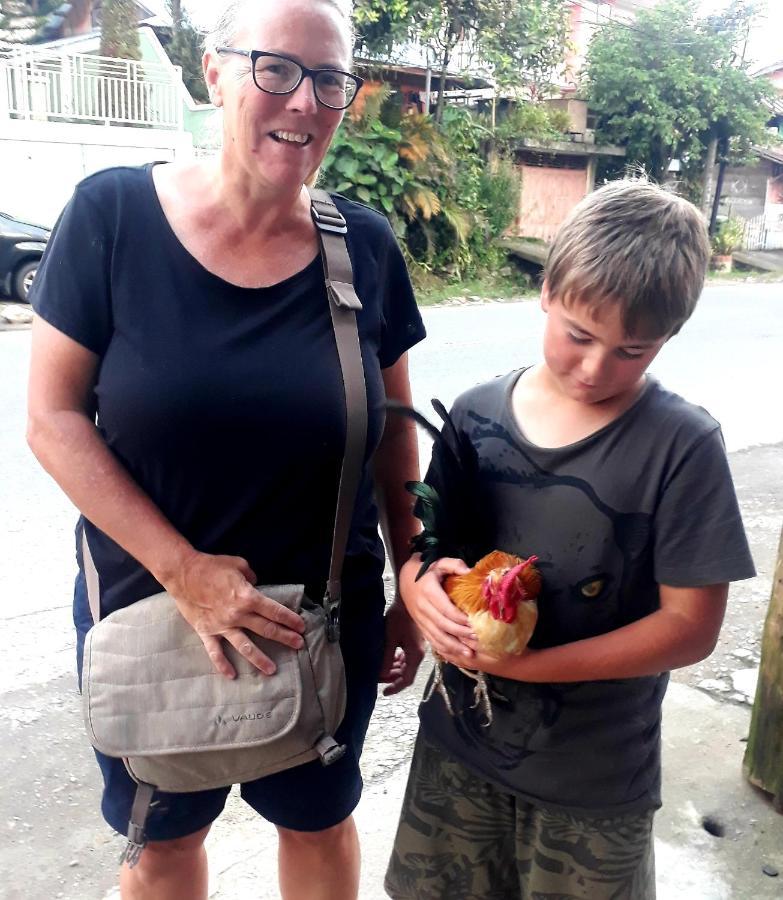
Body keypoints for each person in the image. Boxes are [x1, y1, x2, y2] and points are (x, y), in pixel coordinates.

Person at [26, 1, 426, 897]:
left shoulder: (361, 245)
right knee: (165, 848)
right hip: (152, 616)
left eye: (330, 80)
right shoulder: (113, 215)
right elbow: (52, 419)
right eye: (275, 68)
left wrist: (410, 581)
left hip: (324, 619)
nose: (304, 102)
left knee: (317, 827)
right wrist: (185, 572)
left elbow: (394, 437)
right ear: (213, 72)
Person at [385, 179, 756, 900]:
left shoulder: (681, 446)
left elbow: (689, 628)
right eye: (578, 336)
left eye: (631, 351)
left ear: (667, 339)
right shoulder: (474, 414)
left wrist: (530, 668)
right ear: (546, 290)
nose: (594, 369)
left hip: (594, 777)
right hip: (457, 748)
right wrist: (415, 591)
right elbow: (429, 548)